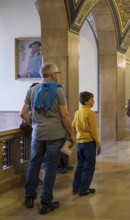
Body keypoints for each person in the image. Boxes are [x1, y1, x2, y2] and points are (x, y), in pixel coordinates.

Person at [20, 63, 75, 214]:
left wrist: (35, 123)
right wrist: (71, 134)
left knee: (34, 165)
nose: (59, 74)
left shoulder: (32, 90)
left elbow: (23, 113)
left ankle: (29, 197)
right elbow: (64, 115)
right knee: (50, 167)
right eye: (58, 72)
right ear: (52, 75)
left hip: (37, 135)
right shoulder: (59, 90)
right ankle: (46, 202)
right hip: (55, 135)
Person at [72, 91, 101, 196]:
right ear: (87, 101)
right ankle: (84, 189)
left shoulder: (77, 112)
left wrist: (79, 134)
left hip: (80, 143)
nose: (93, 101)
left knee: (80, 165)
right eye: (92, 99)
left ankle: (75, 187)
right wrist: (97, 143)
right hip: (89, 143)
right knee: (89, 166)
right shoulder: (90, 112)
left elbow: (73, 126)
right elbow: (94, 130)